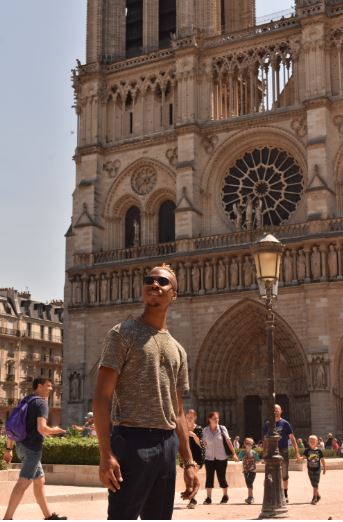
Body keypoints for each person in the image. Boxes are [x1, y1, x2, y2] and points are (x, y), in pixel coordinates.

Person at [93, 263, 199, 520]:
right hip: (131, 441)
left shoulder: (178, 349)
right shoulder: (122, 334)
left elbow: (178, 411)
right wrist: (105, 455)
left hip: (166, 445)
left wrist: (188, 463)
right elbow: (101, 397)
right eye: (150, 280)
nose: (155, 284)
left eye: (163, 282)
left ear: (174, 293)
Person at [3, 377, 67, 520]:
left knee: (40, 481)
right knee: (23, 483)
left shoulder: (25, 401)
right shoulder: (41, 403)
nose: (51, 388)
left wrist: (9, 449)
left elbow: (13, 427)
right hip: (32, 450)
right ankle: (7, 518)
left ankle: (49, 516)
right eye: (48, 385)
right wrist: (56, 430)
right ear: (39, 386)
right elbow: (42, 428)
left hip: (20, 446)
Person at [263, 404, 301, 503]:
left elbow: (292, 438)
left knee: (284, 474)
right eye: (274, 410)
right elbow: (265, 439)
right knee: (270, 474)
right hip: (271, 450)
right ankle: (273, 494)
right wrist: (264, 452)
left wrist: (297, 452)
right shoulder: (268, 424)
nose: (275, 411)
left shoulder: (285, 423)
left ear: (281, 411)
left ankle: (285, 494)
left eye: (277, 409)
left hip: (283, 450)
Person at [202, 411, 238, 505]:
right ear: (209, 419)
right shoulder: (205, 430)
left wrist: (234, 453)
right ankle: (208, 498)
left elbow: (228, 441)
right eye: (214, 418)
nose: (216, 420)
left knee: (221, 477)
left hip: (221, 457)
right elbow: (203, 444)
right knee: (209, 477)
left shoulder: (222, 428)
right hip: (209, 458)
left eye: (217, 418)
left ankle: (225, 495)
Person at [184, 409, 205, 509]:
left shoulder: (198, 429)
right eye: (188, 417)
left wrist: (194, 435)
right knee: (188, 477)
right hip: (186, 456)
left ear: (195, 418)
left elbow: (202, 445)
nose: (189, 419)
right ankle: (191, 497)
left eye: (191, 417)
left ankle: (193, 499)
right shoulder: (183, 428)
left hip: (196, 457)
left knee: (191, 476)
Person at [301, 435, 326, 505]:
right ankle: (318, 495)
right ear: (308, 442)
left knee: (315, 483)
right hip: (310, 469)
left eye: (313, 441)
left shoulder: (319, 451)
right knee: (313, 484)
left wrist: (324, 468)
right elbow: (303, 457)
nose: (312, 442)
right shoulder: (307, 450)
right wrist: (299, 458)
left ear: (317, 442)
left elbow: (322, 460)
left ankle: (314, 498)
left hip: (317, 469)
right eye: (310, 441)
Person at [238, 437, 260, 504]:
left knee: (249, 482)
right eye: (247, 443)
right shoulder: (242, 452)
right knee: (248, 483)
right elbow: (239, 458)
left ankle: (251, 497)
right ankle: (249, 497)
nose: (249, 445)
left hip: (252, 471)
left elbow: (258, 460)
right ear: (244, 444)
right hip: (245, 471)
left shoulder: (254, 452)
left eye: (250, 444)